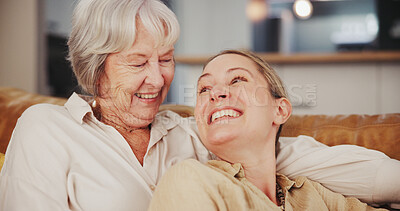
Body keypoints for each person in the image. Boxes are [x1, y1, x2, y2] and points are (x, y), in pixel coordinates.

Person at [0, 0, 397, 210]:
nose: (158, 80)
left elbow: (290, 156)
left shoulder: (197, 133)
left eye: (166, 59)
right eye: (138, 62)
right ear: (96, 69)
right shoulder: (47, 128)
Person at [148, 50, 400, 210]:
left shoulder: (314, 195)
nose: (216, 93)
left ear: (280, 111)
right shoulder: (191, 179)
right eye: (204, 89)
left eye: (237, 80)